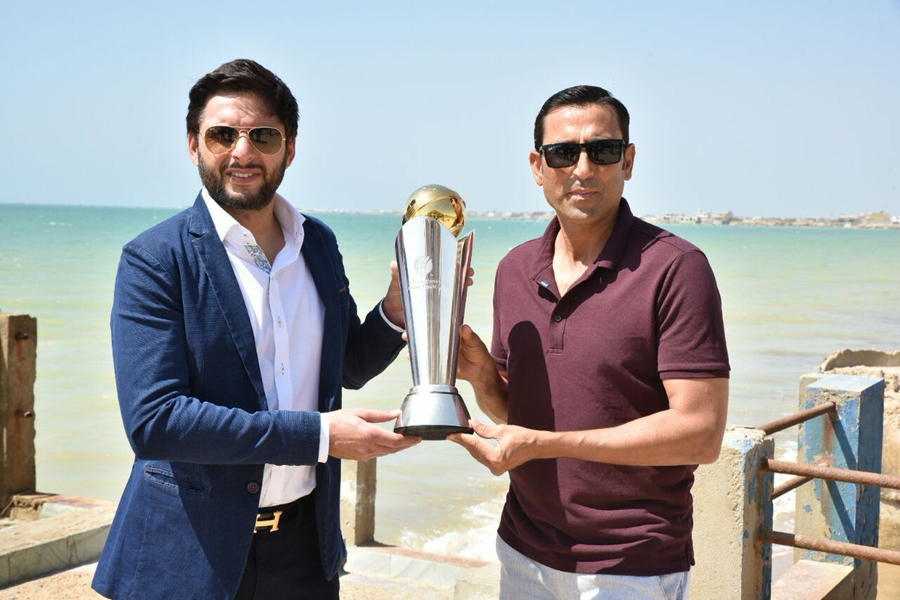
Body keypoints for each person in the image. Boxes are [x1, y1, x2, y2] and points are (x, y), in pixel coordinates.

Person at [92, 59, 419, 600]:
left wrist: (397, 312)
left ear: (289, 149)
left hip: (306, 553)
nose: (242, 151)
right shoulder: (154, 259)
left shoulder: (318, 243)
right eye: (223, 134)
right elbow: (155, 421)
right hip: (189, 555)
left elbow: (345, 367)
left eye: (262, 135)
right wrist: (320, 436)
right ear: (194, 145)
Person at [450, 85, 730, 599]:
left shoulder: (676, 268)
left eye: (600, 150)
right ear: (538, 166)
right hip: (522, 551)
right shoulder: (514, 269)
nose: (582, 169)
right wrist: (485, 377)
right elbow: (517, 414)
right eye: (563, 153)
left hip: (631, 564)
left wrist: (545, 445)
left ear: (628, 160)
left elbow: (701, 433)